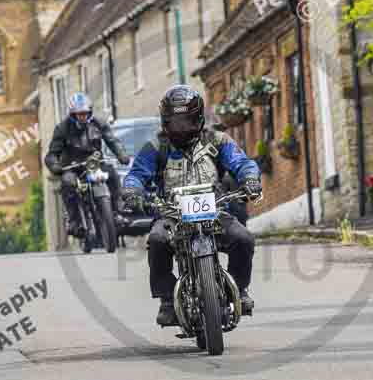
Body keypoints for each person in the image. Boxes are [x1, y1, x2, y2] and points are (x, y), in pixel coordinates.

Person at [121, 85, 262, 327]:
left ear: (198, 118)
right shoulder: (156, 147)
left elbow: (241, 162)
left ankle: (239, 289)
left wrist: (249, 178)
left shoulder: (217, 140)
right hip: (172, 214)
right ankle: (166, 299)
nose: (181, 127)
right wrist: (133, 191)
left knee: (243, 238)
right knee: (157, 240)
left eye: (186, 121)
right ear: (165, 122)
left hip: (214, 210)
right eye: (175, 122)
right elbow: (136, 174)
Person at [44, 92, 130, 237]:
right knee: (68, 183)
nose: (83, 116)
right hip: (72, 166)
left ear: (89, 112)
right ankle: (74, 220)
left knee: (112, 173)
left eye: (85, 113)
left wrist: (122, 155)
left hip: (94, 163)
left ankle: (117, 210)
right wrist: (55, 165)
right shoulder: (62, 129)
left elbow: (112, 141)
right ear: (72, 114)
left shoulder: (99, 123)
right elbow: (52, 154)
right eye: (79, 114)